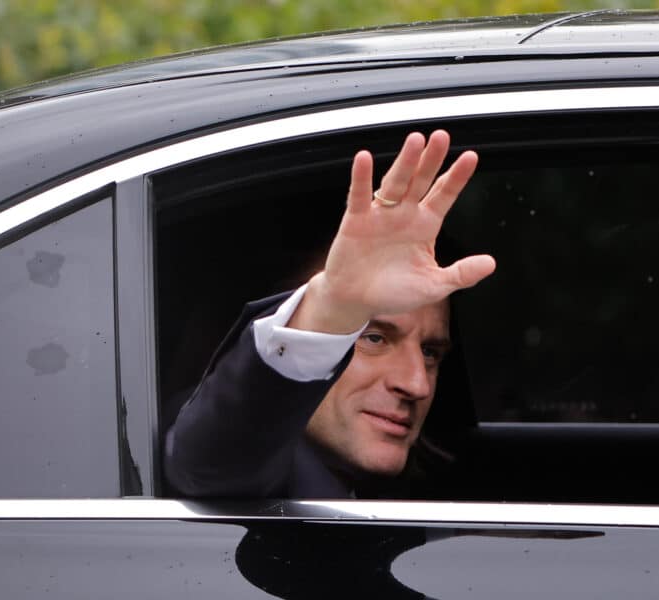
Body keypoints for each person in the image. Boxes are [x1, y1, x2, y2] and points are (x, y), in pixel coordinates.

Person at [164, 130, 496, 498]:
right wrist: (327, 313)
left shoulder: (429, 484)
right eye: (372, 337)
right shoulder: (241, 457)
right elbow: (214, 462)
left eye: (430, 352)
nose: (416, 384)